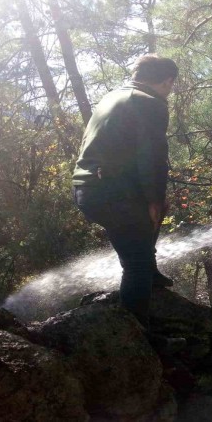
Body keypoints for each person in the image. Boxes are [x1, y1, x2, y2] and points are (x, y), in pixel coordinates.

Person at [72, 54, 177, 330]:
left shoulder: (113, 97)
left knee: (141, 240)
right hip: (112, 193)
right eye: (171, 84)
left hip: (88, 188)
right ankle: (138, 335)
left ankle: (150, 275)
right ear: (167, 81)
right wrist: (155, 198)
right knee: (136, 266)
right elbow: (152, 156)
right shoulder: (149, 103)